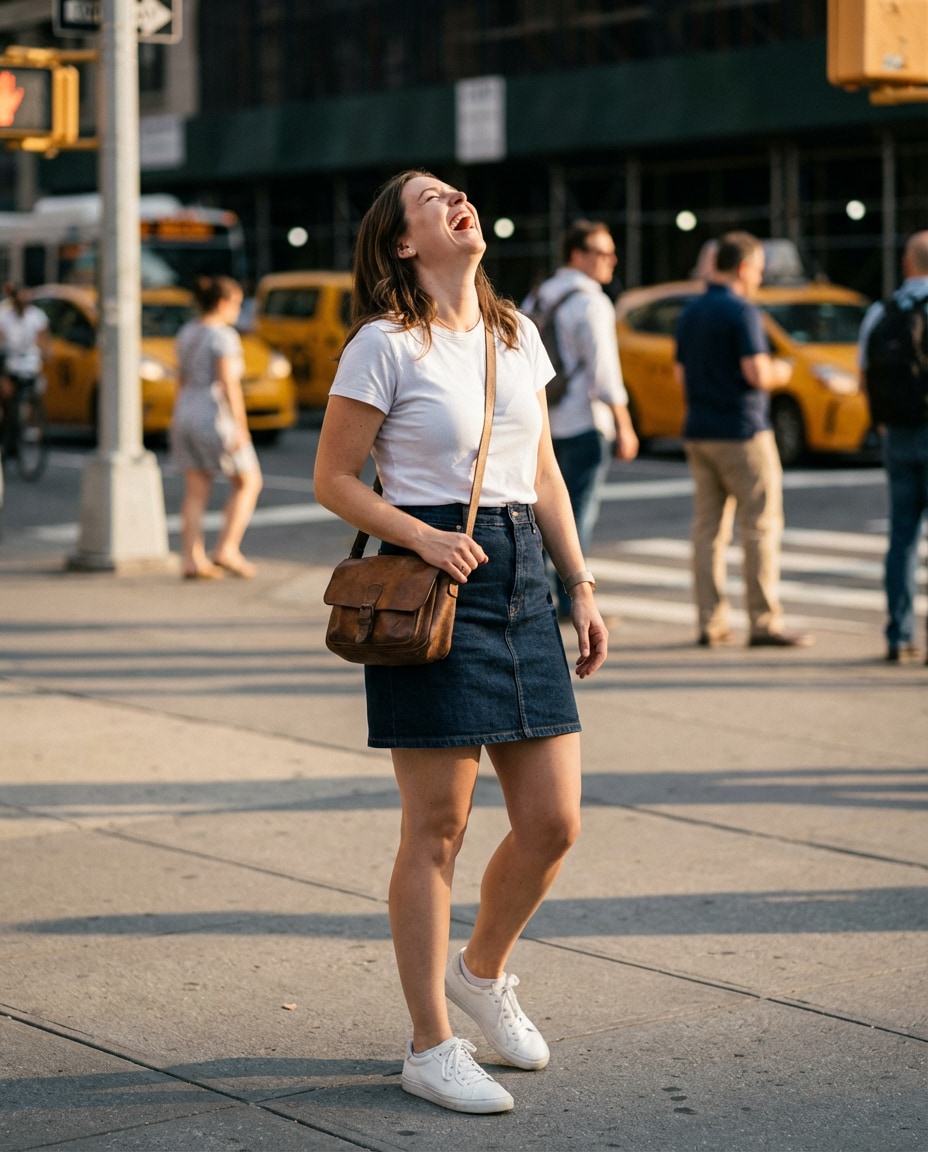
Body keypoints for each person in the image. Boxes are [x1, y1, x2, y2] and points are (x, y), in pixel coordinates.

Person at [313, 170, 609, 1115]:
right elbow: (333, 479)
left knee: (555, 820)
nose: (456, 202)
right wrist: (420, 534)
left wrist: (581, 585)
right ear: (404, 243)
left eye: (457, 192)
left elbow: (548, 473)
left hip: (522, 573)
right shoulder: (382, 346)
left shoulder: (514, 335)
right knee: (437, 827)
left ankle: (481, 974)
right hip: (433, 583)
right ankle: (429, 1043)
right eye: (431, 200)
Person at [673, 231, 811, 648]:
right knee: (760, 527)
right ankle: (764, 621)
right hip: (744, 431)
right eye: (759, 269)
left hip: (699, 430)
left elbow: (681, 376)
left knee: (708, 532)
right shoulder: (742, 312)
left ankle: (710, 622)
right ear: (744, 267)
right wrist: (782, 372)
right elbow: (756, 373)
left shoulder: (690, 312)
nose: (760, 277)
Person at [529, 220, 639, 618]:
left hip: (543, 423)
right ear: (578, 255)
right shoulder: (592, 302)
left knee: (541, 513)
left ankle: (539, 596)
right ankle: (568, 599)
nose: (611, 260)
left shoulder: (538, 295)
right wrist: (624, 425)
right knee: (575, 515)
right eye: (602, 252)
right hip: (582, 421)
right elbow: (604, 373)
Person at [858, 230, 928, 665]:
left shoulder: (879, 311)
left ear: (906, 264)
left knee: (901, 538)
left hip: (897, 434)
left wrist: (883, 424)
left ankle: (899, 635)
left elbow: (864, 378)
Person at [170, 275, 262, 579]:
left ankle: (192, 559)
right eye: (236, 303)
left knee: (195, 489)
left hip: (186, 410)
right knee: (248, 481)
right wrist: (241, 426)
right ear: (222, 303)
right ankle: (227, 548)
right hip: (214, 415)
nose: (238, 310)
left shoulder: (187, 331)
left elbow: (180, 379)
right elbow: (228, 384)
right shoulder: (223, 336)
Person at [0, 283, 49, 458]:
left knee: (35, 391)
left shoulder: (36, 316)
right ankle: (6, 430)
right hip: (10, 363)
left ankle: (30, 424)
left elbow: (44, 338)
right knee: (7, 397)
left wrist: (45, 351)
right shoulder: (4, 316)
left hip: (30, 363)